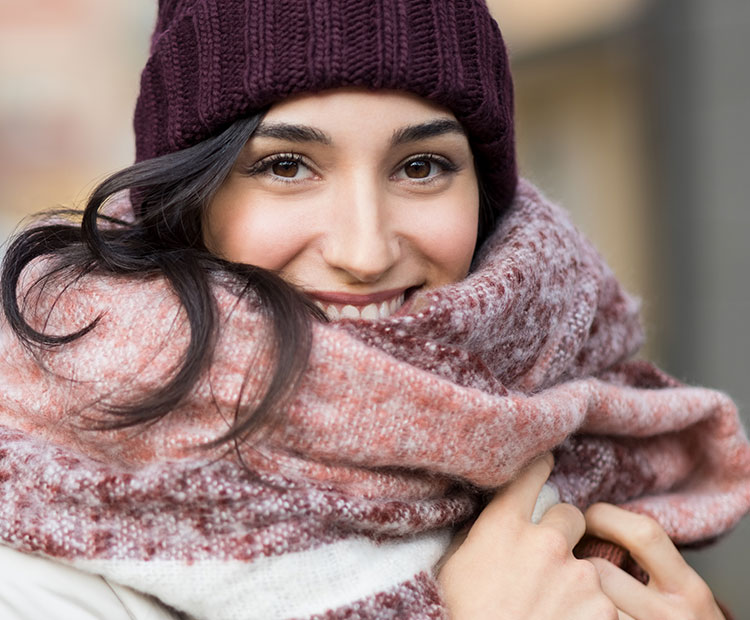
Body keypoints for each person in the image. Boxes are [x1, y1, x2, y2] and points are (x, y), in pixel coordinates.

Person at [0, 1, 748, 619]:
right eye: (285, 166)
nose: (365, 249)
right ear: (189, 199)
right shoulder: (42, 525)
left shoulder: (586, 436)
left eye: (421, 166)